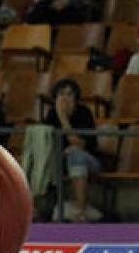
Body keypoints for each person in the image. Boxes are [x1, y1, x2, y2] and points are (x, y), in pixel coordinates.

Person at [43, 78, 102, 222]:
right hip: (60, 160)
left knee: (76, 155)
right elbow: (44, 143)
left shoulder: (84, 113)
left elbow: (80, 144)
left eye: (70, 94)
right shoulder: (51, 114)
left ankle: (81, 211)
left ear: (76, 98)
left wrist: (63, 119)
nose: (65, 98)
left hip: (89, 160)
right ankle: (33, 210)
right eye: (61, 94)